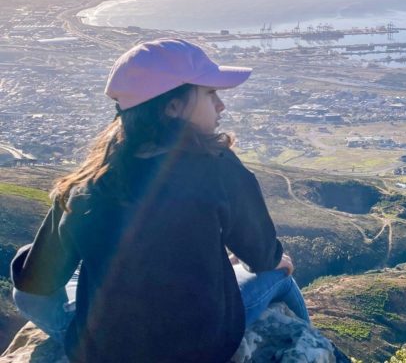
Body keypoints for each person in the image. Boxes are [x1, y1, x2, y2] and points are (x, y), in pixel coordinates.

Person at [10, 39, 310, 363]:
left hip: (104, 354)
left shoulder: (86, 184)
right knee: (280, 274)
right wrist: (275, 259)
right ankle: (310, 340)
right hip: (206, 348)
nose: (221, 105)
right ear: (172, 107)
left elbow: (35, 283)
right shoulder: (219, 166)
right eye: (210, 93)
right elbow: (262, 256)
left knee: (33, 291)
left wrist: (28, 254)